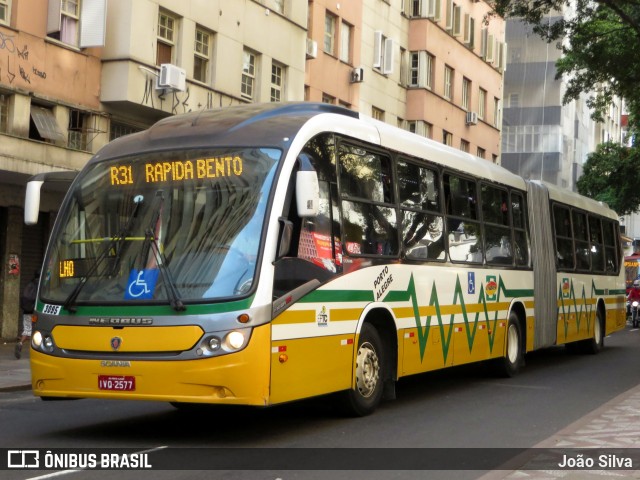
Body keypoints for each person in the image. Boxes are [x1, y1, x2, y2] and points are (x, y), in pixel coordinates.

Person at [15, 270, 39, 359]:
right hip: (35, 312)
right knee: (38, 331)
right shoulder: (40, 285)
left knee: (27, 330)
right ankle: (35, 350)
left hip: (26, 310)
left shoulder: (30, 283)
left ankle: (20, 343)